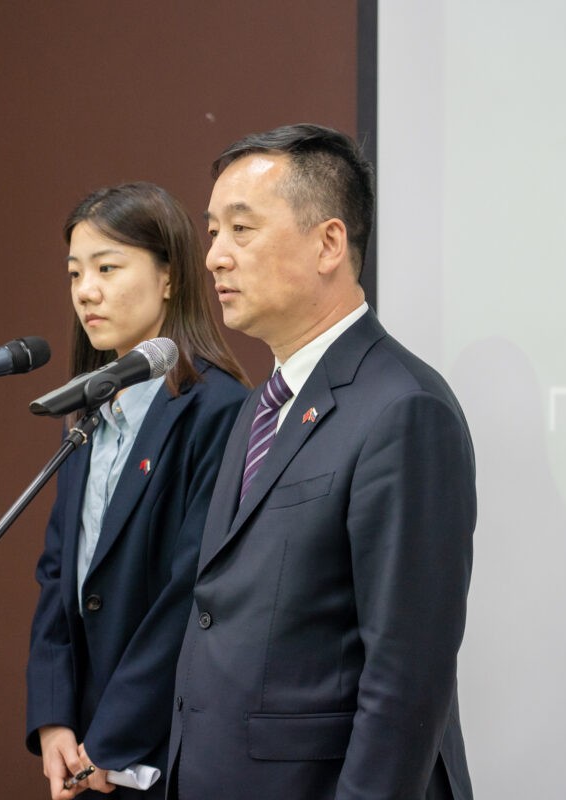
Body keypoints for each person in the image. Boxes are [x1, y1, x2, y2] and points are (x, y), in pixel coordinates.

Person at [168, 124, 475, 799]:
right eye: (212, 232)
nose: (215, 257)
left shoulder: (404, 409)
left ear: (329, 243)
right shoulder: (263, 404)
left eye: (241, 229)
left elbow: (405, 683)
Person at [25, 182, 248, 799]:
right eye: (75, 273)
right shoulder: (88, 409)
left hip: (161, 740)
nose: (85, 291)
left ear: (169, 277)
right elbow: (58, 572)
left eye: (107, 268)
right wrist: (54, 717)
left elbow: (191, 592)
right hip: (83, 736)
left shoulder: (217, 408)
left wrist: (112, 737)